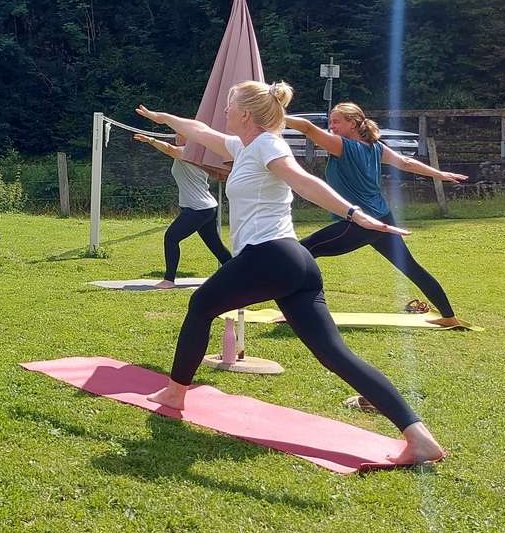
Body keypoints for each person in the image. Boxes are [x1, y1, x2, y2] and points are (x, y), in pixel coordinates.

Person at [134, 82, 445, 465]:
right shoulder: (242, 146)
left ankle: (175, 393)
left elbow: (304, 182)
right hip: (293, 262)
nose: (225, 111)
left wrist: (353, 214)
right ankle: (419, 437)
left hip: (270, 256)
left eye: (230, 106)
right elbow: (199, 131)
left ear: (246, 114)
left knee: (200, 305)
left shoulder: (268, 145)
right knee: (333, 353)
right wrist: (159, 118)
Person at [287, 104, 468, 326]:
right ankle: (449, 317)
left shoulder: (343, 146)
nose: (331, 127)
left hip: (359, 223)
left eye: (336, 122)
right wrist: (439, 174)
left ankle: (299, 313)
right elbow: (405, 162)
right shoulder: (375, 147)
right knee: (411, 267)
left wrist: (273, 115)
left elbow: (306, 127)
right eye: (330, 122)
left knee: (299, 255)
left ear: (352, 123)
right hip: (383, 219)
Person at [132, 133, 232, 287]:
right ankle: (240, 276)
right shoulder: (195, 154)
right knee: (215, 245)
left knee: (171, 238)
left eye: (181, 133)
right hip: (205, 207)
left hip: (198, 208)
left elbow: (169, 149)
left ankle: (168, 280)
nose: (177, 135)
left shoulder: (189, 153)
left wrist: (150, 140)